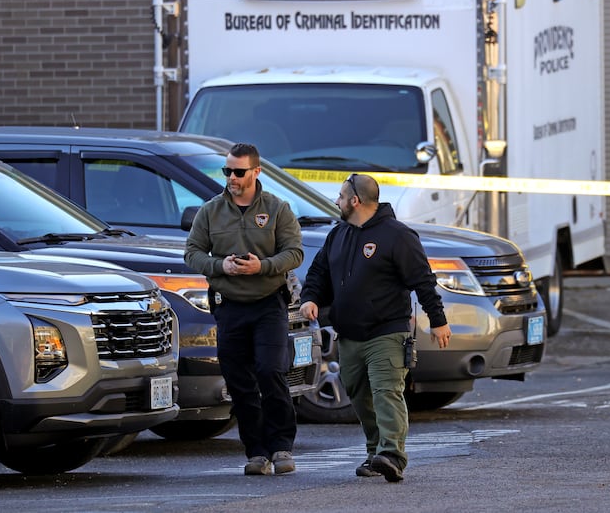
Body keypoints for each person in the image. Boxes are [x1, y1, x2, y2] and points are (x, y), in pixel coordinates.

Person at [299, 173, 451, 483]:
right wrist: (310, 298)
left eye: (340, 197)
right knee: (358, 394)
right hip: (349, 334)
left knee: (386, 391)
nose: (337, 202)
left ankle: (393, 454)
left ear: (355, 201)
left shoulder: (398, 235)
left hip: (387, 331)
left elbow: (423, 280)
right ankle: (375, 452)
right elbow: (319, 273)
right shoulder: (337, 234)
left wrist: (438, 320)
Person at [184, 142, 303, 476]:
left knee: (270, 371)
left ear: (256, 172)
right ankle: (257, 452)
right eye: (227, 171)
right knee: (239, 382)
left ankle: (281, 446)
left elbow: (294, 252)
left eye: (239, 172)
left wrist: (261, 267)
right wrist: (221, 265)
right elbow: (192, 253)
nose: (232, 178)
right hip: (229, 307)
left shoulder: (277, 209)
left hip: (268, 304)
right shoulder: (210, 211)